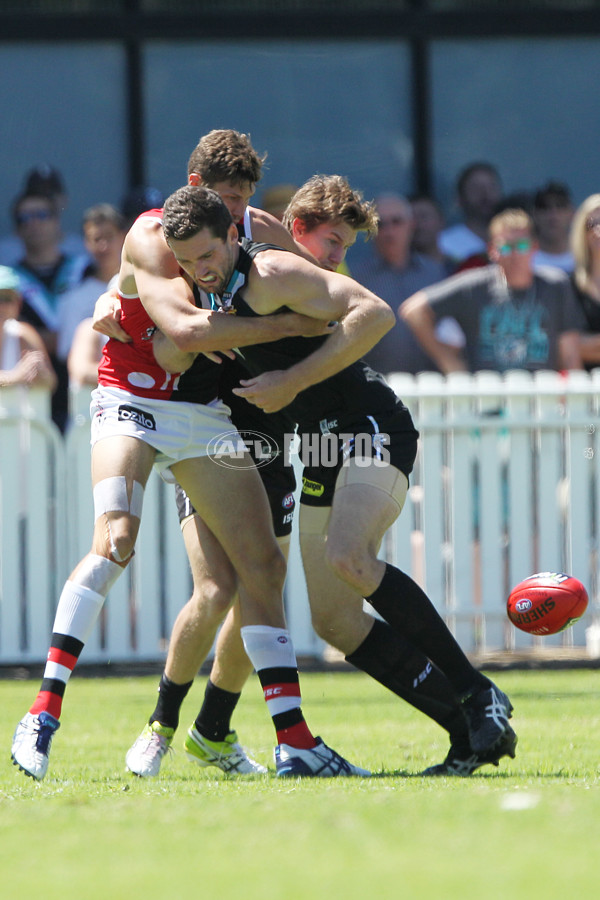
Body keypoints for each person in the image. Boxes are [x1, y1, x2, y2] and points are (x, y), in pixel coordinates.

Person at [136, 184, 517, 780]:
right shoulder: (203, 288)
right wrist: (123, 314)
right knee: (334, 620)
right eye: (185, 263)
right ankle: (469, 734)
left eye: (207, 256)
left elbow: (376, 312)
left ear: (234, 236)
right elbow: (172, 346)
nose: (198, 271)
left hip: (368, 425)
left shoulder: (273, 273)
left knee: (348, 555)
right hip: (318, 449)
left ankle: (477, 691)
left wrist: (291, 378)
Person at [11, 186, 378, 782]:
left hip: (202, 419)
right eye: (225, 196)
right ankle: (42, 714)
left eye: (241, 202)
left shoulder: (254, 244)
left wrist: (306, 312)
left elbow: (338, 300)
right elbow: (181, 339)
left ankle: (294, 739)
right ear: (195, 185)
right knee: (117, 540)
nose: (197, 268)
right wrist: (287, 320)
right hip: (129, 402)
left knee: (261, 569)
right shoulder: (155, 237)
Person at [400, 207, 585, 374]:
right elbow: (413, 310)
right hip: (487, 399)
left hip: (540, 399)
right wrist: (451, 364)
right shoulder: (473, 285)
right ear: (492, 250)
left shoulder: (556, 285)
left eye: (521, 246)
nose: (514, 254)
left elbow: (569, 354)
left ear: (534, 247)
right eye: (505, 247)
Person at [11, 189, 89, 432]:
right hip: (33, 401)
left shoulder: (85, 271)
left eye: (41, 214)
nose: (33, 223)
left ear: (57, 221)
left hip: (84, 397)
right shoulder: (8, 285)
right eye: (24, 218)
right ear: (17, 229)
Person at [351, 193, 453, 375]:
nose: (389, 231)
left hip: (433, 387)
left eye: (397, 221)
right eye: (380, 224)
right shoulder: (356, 278)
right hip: (378, 388)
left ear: (411, 224)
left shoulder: (436, 273)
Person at [57, 204, 127, 370]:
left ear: (124, 237)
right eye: (96, 239)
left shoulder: (143, 287)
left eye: (109, 237)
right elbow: (68, 354)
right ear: (86, 243)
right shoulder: (73, 299)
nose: (103, 246)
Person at [0, 165, 88, 267]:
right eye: (38, 194)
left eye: (50, 195)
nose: (36, 221)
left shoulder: (83, 249)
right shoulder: (4, 252)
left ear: (64, 200)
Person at [0, 265, 57, 390]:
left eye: (7, 299)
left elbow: (51, 382)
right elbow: (16, 377)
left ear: (18, 303)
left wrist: (40, 375)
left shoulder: (24, 333)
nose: (2, 306)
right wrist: (13, 377)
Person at [439, 162, 503, 268]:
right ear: (459, 199)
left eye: (491, 187)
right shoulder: (444, 244)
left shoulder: (516, 241)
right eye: (476, 189)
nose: (486, 195)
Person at [569, 192, 600, 369]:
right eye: (591, 224)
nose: (598, 230)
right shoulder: (568, 285)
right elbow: (567, 347)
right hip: (583, 388)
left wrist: (590, 344)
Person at [532, 181, 575, 273]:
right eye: (544, 207)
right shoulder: (522, 260)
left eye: (560, 206)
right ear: (535, 215)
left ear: (572, 213)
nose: (553, 215)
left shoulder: (588, 258)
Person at [409, 193, 453, 273]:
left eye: (423, 217)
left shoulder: (458, 268)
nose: (418, 224)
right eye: (412, 218)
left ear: (441, 221)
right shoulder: (395, 272)